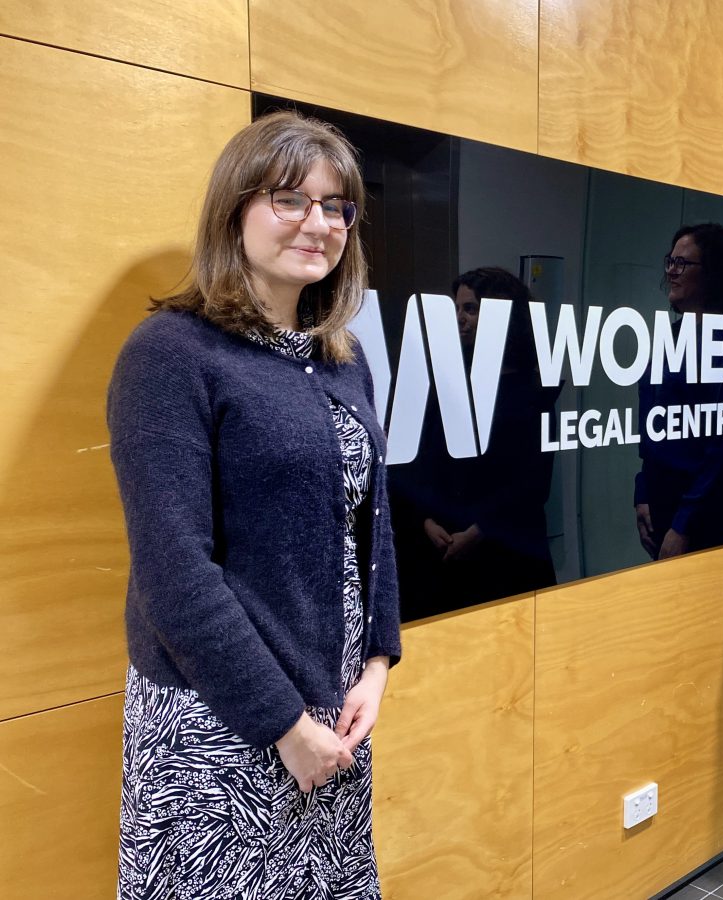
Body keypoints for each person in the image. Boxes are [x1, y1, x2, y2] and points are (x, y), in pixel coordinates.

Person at [107, 110, 400, 897]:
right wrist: (283, 726)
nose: (320, 223)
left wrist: (377, 663)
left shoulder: (344, 357)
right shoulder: (171, 354)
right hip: (222, 722)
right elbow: (173, 571)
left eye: (338, 207)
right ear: (233, 209)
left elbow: (370, 524)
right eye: (290, 199)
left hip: (331, 715)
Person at [392, 266, 559, 619]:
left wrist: (482, 531)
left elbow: (533, 481)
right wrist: (424, 520)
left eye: (471, 308)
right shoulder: (449, 385)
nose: (460, 319)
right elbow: (421, 464)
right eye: (457, 309)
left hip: (507, 557)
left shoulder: (534, 390)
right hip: (443, 554)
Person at [634, 223, 723, 560]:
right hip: (669, 504)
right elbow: (652, 423)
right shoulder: (671, 336)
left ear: (714, 274)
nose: (671, 272)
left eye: (682, 263)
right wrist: (642, 493)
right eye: (670, 261)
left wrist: (684, 525)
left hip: (719, 510)